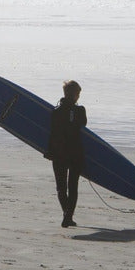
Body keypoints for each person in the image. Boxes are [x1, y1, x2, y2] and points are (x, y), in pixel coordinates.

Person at [45, 80, 87, 228]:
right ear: (75, 94)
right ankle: (68, 216)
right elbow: (83, 125)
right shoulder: (81, 110)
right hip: (76, 152)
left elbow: (53, 133)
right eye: (78, 94)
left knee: (61, 187)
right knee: (73, 186)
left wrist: (48, 151)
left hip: (59, 153)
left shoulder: (56, 111)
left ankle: (66, 215)